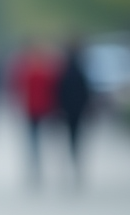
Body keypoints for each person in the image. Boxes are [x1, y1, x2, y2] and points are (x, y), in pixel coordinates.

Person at [9, 41, 59, 187]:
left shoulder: (47, 67)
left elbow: (53, 89)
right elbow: (16, 87)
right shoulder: (24, 68)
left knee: (41, 138)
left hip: (44, 108)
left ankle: (40, 164)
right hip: (29, 108)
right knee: (32, 139)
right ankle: (35, 166)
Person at [55, 40, 93, 184]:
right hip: (76, 109)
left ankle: (71, 160)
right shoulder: (80, 71)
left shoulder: (63, 72)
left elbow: (59, 92)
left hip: (67, 109)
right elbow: (86, 92)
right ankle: (74, 160)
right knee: (75, 137)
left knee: (70, 137)